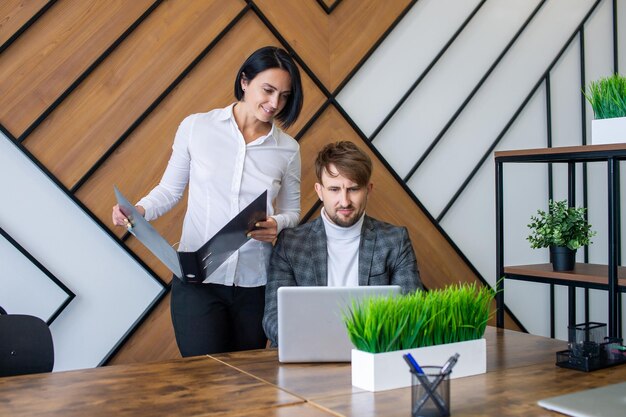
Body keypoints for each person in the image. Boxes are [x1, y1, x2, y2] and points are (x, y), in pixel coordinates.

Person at [112, 46, 304, 356]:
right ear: (245, 81)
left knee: (245, 385)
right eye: (268, 90)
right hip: (197, 280)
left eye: (284, 96)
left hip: (255, 285)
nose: (274, 104)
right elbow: (169, 190)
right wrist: (137, 211)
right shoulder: (196, 127)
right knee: (202, 380)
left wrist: (277, 224)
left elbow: (293, 211)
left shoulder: (288, 149)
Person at [262, 140, 423, 347]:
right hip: (308, 356)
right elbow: (273, 318)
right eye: (334, 189)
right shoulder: (291, 243)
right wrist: (317, 344)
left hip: (373, 353)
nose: (345, 201)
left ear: (368, 189)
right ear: (319, 191)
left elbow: (411, 310)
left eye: (353, 189)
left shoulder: (394, 240)